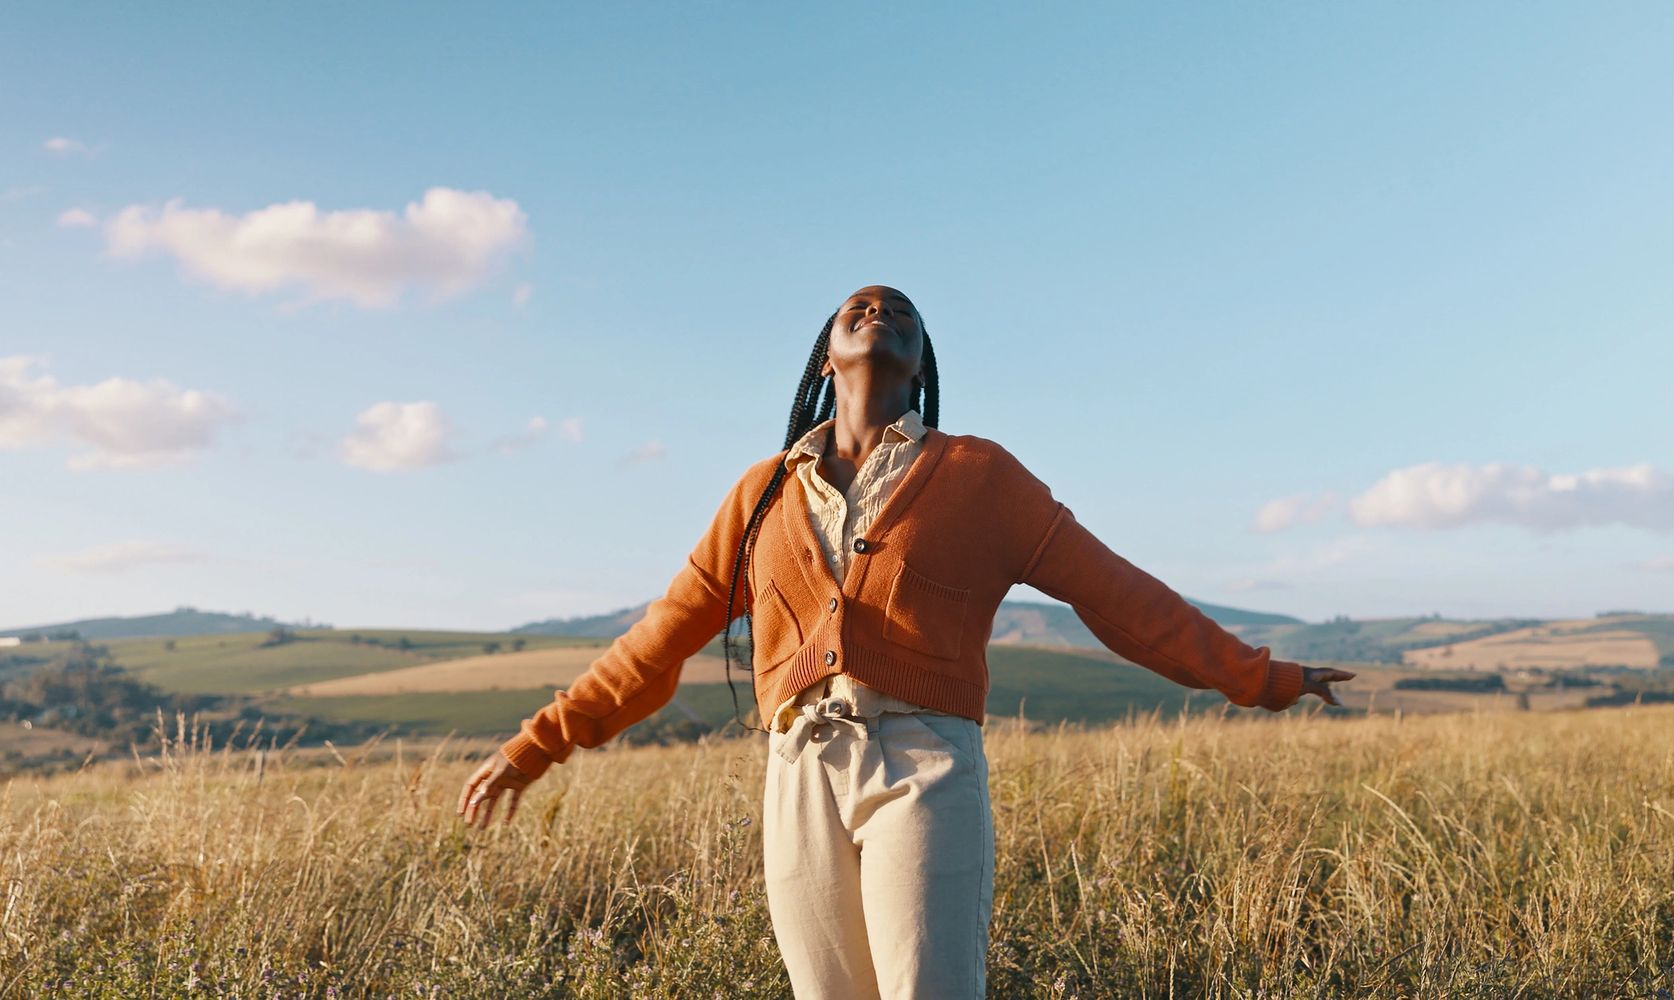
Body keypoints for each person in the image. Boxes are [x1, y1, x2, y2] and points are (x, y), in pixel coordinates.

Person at [457, 285, 1355, 999]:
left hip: (922, 760)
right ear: (825, 355)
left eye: (904, 312)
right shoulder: (761, 495)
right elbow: (655, 643)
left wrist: (1267, 678)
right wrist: (535, 746)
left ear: (920, 364)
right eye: (860, 303)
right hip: (798, 767)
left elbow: (1120, 598)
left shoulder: (980, 476)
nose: (879, 309)